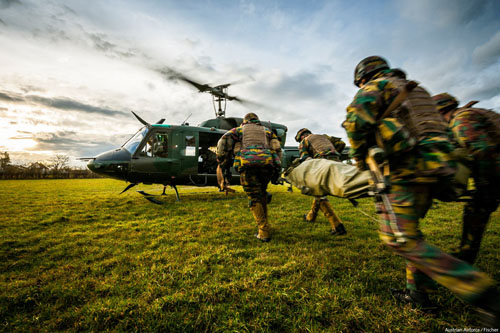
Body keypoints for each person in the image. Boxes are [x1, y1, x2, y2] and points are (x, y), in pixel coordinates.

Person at [342, 55, 499, 325]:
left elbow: (356, 122)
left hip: (406, 171)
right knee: (412, 235)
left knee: (401, 240)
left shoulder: (375, 87)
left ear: (364, 77)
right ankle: (418, 295)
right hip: (437, 170)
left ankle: (485, 295)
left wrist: (359, 159)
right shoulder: (419, 91)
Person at [433, 93, 500, 264]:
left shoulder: (461, 121)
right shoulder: (473, 114)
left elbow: (483, 152)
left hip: (492, 173)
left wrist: (485, 187)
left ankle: (464, 257)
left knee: (477, 208)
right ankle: (464, 255)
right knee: (475, 211)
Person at [216, 113, 282, 242]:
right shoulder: (267, 131)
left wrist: (222, 161)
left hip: (248, 166)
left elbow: (222, 143)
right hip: (267, 165)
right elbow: (278, 149)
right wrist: (277, 170)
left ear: (245, 121)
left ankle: (263, 232)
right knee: (262, 193)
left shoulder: (238, 130)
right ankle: (266, 225)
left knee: (254, 196)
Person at [295, 128, 347, 235]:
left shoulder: (303, 142)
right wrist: (334, 153)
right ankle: (311, 216)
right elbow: (342, 143)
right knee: (318, 193)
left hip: (322, 163)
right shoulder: (324, 137)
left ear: (301, 136)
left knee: (319, 194)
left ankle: (337, 225)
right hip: (337, 163)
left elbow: (305, 158)